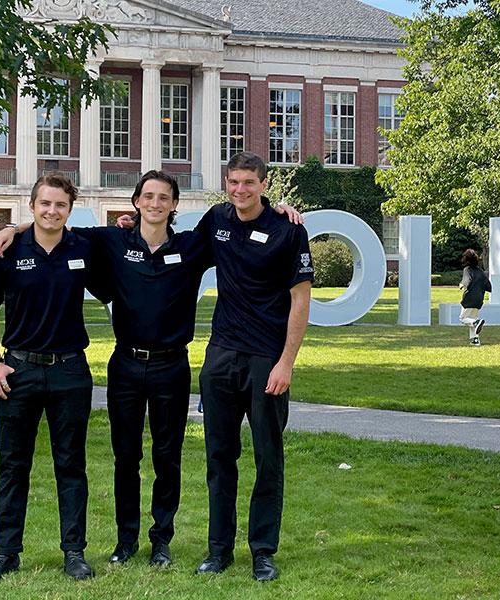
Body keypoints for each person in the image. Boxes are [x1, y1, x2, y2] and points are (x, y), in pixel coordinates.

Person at [0, 170, 302, 570]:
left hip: (172, 365)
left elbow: (243, 223)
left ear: (174, 205)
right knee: (126, 456)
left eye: (164, 197)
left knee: (167, 457)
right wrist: (16, 226)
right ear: (135, 202)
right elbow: (57, 225)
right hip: (125, 365)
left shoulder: (193, 244)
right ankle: (126, 539)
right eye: (148, 196)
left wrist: (277, 211)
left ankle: (161, 541)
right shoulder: (112, 241)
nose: (155, 203)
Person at [0, 173, 104, 583]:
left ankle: (74, 552)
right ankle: (5, 553)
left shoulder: (83, 247)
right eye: (45, 204)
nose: (52, 211)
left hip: (70, 371)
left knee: (71, 464)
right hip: (19, 371)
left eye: (60, 205)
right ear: (32, 206)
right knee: (13, 465)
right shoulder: (8, 249)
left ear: (69, 209)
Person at [193, 151, 313, 582]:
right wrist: (130, 226)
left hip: (267, 359)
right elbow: (174, 246)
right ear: (226, 183)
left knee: (268, 457)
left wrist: (286, 363)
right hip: (221, 356)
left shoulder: (288, 229)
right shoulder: (217, 220)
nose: (240, 190)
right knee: (219, 457)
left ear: (265, 184)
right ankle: (218, 550)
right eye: (233, 182)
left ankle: (263, 551)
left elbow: (301, 300)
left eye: (248, 183)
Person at [458, 248, 491, 345]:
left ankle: (476, 322)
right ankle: (475, 340)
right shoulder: (480, 271)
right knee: (472, 317)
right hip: (479, 299)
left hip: (469, 298)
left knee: (463, 319)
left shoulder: (467, 270)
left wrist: (461, 284)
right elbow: (488, 286)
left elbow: (466, 281)